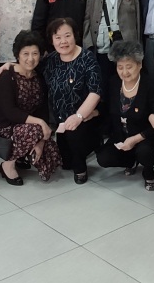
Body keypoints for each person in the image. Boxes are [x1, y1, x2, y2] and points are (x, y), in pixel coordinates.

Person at [0, 30, 61, 184]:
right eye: (25, 53)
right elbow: (10, 112)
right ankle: (7, 165)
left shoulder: (39, 78)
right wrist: (40, 124)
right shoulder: (8, 76)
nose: (30, 59)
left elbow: (43, 110)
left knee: (50, 152)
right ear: (17, 55)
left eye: (35, 53)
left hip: (25, 126)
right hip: (3, 125)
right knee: (35, 130)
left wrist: (40, 142)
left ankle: (22, 154)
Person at [96, 40, 154, 191]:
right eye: (120, 67)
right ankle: (131, 161)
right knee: (103, 158)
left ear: (139, 65)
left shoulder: (150, 85)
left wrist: (136, 138)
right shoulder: (114, 83)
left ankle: (148, 172)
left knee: (144, 152)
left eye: (129, 67)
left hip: (145, 136)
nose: (125, 72)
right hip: (121, 135)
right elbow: (107, 109)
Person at [41, 18, 103, 183]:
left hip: (85, 116)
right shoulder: (51, 60)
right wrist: (10, 66)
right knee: (66, 162)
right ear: (52, 40)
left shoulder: (87, 58)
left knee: (76, 150)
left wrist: (79, 116)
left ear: (75, 36)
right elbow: (30, 68)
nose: (63, 41)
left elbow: (95, 92)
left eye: (67, 36)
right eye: (58, 37)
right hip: (61, 121)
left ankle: (82, 165)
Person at [84, 0, 141, 83]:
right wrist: (88, 44)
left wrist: (138, 47)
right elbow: (87, 18)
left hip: (126, 45)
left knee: (126, 81)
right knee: (103, 82)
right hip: (101, 44)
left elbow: (137, 18)